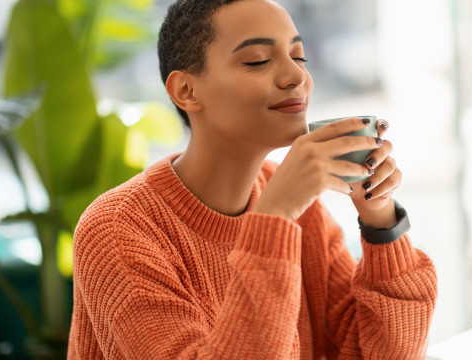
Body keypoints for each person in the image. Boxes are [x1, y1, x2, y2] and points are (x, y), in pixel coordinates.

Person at [67, 0, 438, 359]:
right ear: (186, 91)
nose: (297, 77)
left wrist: (381, 222)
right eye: (257, 60)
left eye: (299, 56)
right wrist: (274, 218)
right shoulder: (117, 230)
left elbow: (379, 353)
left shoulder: (298, 208)